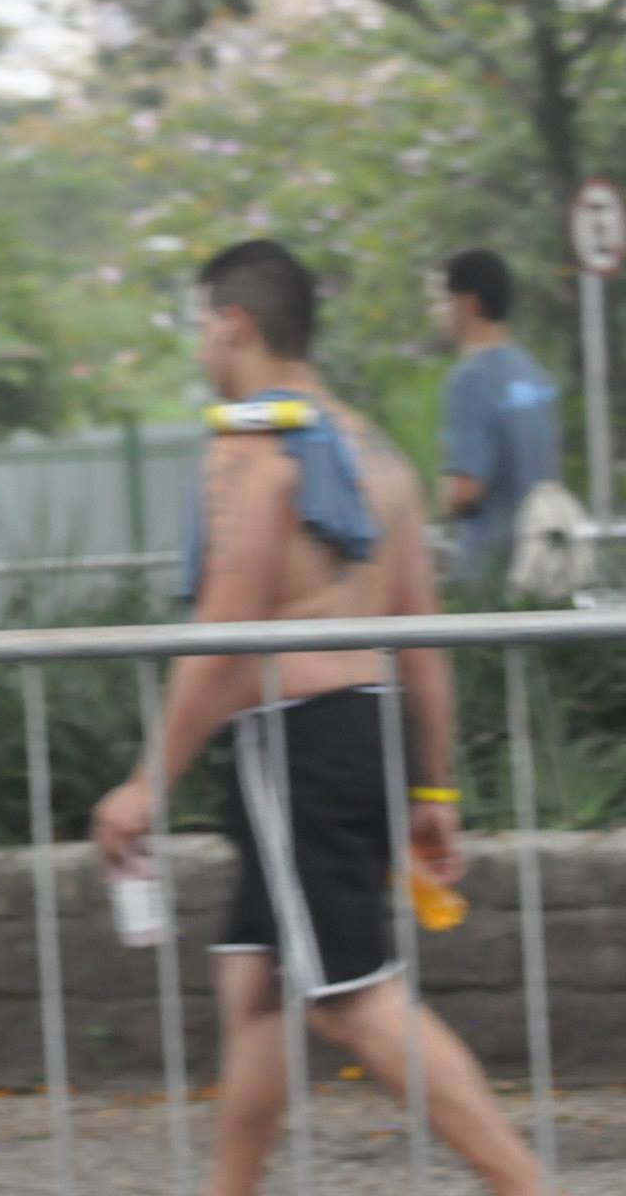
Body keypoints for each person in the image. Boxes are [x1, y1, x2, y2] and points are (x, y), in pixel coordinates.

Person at [90, 243, 545, 1196]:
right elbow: (421, 639)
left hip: (294, 742)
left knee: (353, 1000)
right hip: (364, 729)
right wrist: (432, 790)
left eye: (202, 324)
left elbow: (224, 638)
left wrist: (146, 784)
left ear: (235, 324)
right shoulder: (376, 451)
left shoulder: (251, 451)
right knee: (257, 986)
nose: (201, 345)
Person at [433, 248, 562, 585]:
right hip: (544, 565)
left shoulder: (470, 380)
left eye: (442, 301)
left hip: (492, 574)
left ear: (467, 304)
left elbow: (465, 489)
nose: (438, 313)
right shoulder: (534, 374)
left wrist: (443, 505)